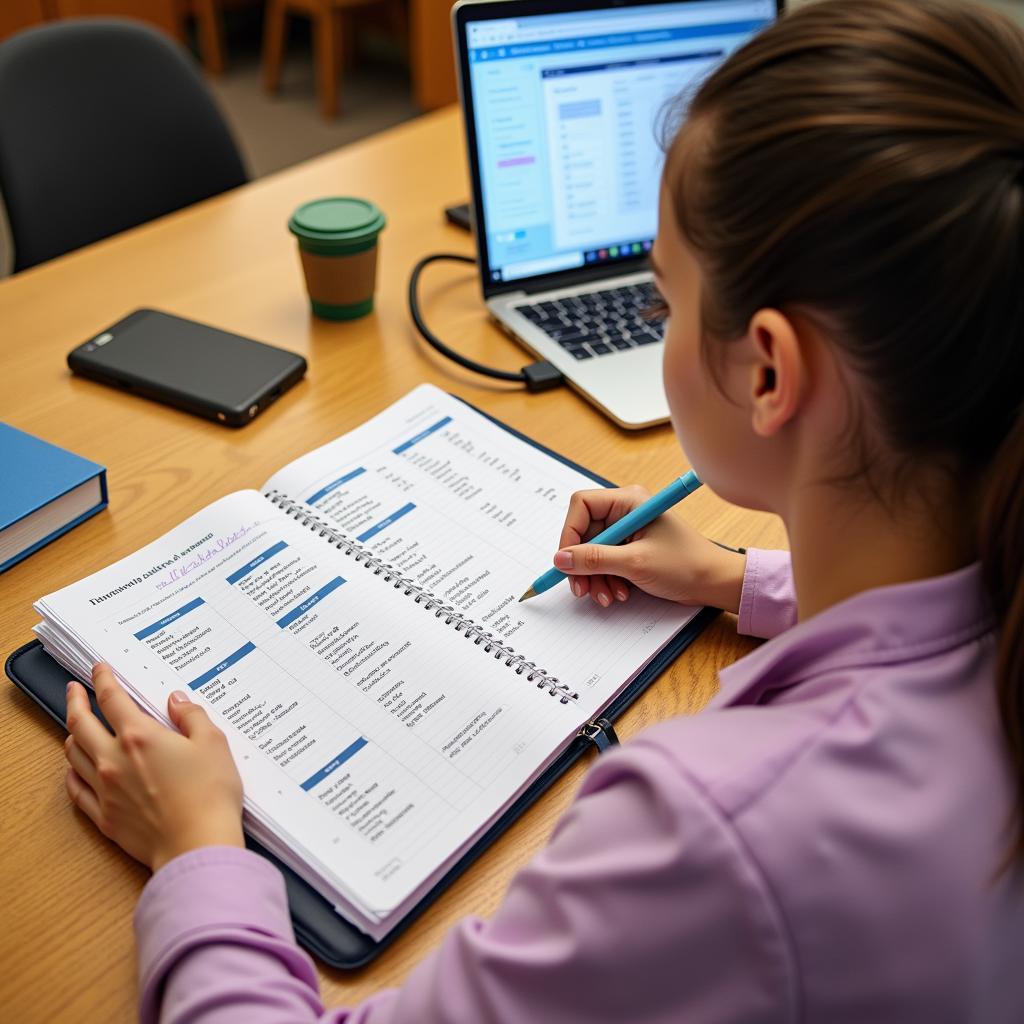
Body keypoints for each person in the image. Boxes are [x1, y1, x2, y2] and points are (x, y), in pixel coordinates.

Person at [61, 0, 1024, 1019]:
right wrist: (738, 578)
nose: (659, 320)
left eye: (664, 297)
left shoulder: (713, 830)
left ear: (769, 372)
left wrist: (199, 848)